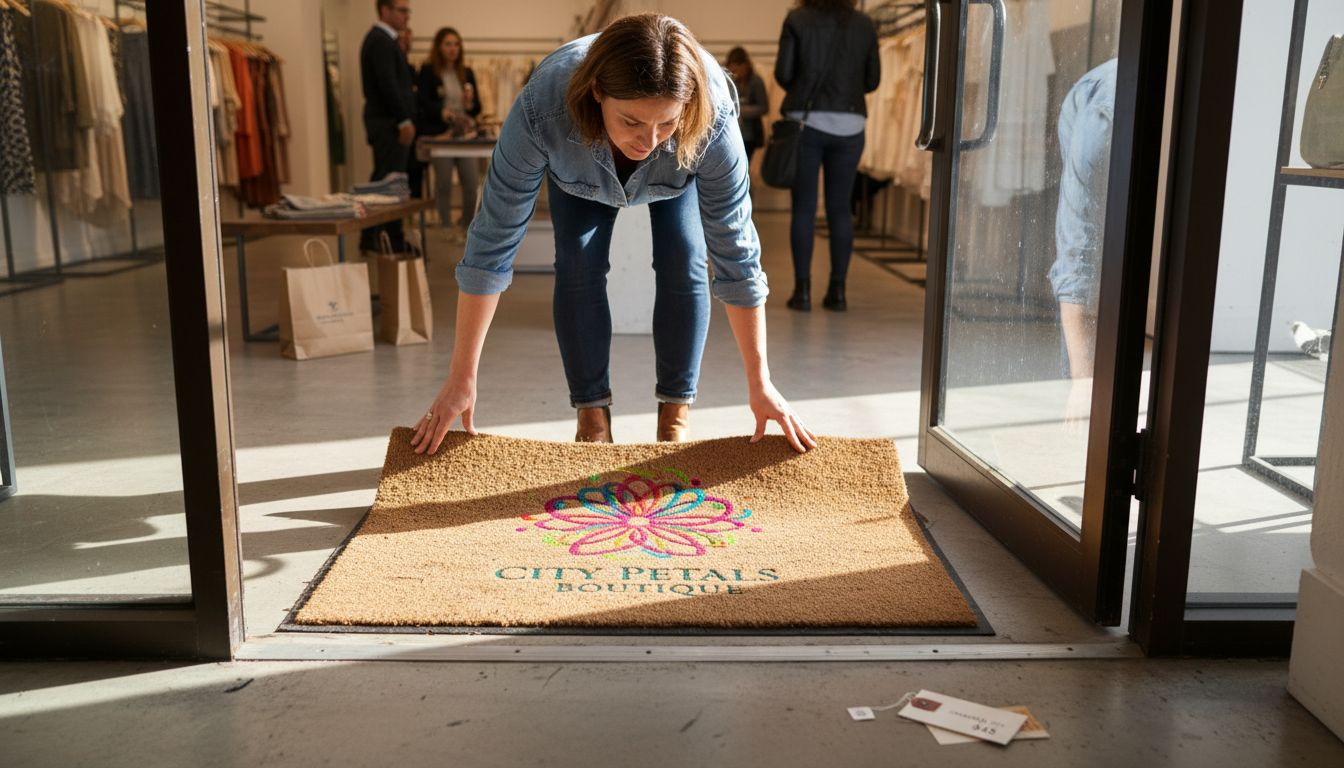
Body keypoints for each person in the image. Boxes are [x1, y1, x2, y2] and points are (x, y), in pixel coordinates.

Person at [411, 13, 816, 455]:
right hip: (578, 166)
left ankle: (675, 415)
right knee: (577, 262)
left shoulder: (711, 119)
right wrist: (460, 378)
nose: (650, 140)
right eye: (632, 121)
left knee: (685, 257)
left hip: (678, 171)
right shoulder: (542, 108)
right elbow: (491, 245)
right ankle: (592, 417)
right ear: (598, 91)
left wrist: (761, 382)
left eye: (666, 123)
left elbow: (736, 253)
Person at [774, 0, 879, 312]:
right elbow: (872, 81)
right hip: (850, 125)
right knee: (840, 209)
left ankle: (802, 291)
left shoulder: (797, 19)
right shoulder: (864, 24)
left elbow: (783, 73)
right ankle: (838, 291)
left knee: (804, 209)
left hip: (806, 123)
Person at [1050, 58, 1116, 425]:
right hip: (1089, 98)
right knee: (1087, 237)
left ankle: (1091, 399)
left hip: (1105, 94)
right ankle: (1080, 395)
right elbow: (1078, 247)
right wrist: (1083, 380)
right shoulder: (1101, 126)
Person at [359, 0, 416, 254]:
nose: (407, 16)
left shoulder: (385, 40)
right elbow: (387, 85)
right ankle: (389, 237)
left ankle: (375, 236)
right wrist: (403, 119)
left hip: (387, 120)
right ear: (385, 10)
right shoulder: (380, 41)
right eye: (402, 10)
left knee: (386, 180)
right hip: (389, 122)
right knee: (390, 183)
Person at [415, 27, 483, 239]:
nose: (453, 49)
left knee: (471, 183)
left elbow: (477, 107)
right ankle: (445, 228)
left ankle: (466, 228)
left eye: (456, 44)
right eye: (448, 44)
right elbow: (423, 103)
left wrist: (469, 103)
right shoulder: (428, 71)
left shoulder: (467, 72)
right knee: (443, 183)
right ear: (439, 47)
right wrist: (441, 112)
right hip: (441, 136)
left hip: (464, 136)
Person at [725, 47, 768, 165]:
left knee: (743, 165)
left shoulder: (756, 81)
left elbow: (763, 107)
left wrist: (739, 110)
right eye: (732, 69)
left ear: (746, 65)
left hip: (750, 134)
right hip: (732, 133)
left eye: (737, 68)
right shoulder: (730, 80)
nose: (735, 72)